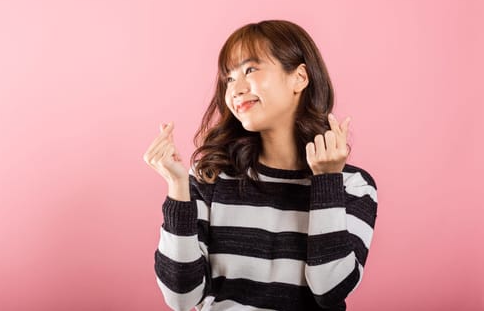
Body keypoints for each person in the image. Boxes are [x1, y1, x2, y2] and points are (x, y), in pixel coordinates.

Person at [142, 19, 378, 311]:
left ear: (300, 78)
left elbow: (329, 290)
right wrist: (177, 188)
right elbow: (181, 298)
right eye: (229, 78)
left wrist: (326, 182)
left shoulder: (351, 185)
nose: (236, 89)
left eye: (250, 69)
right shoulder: (211, 177)